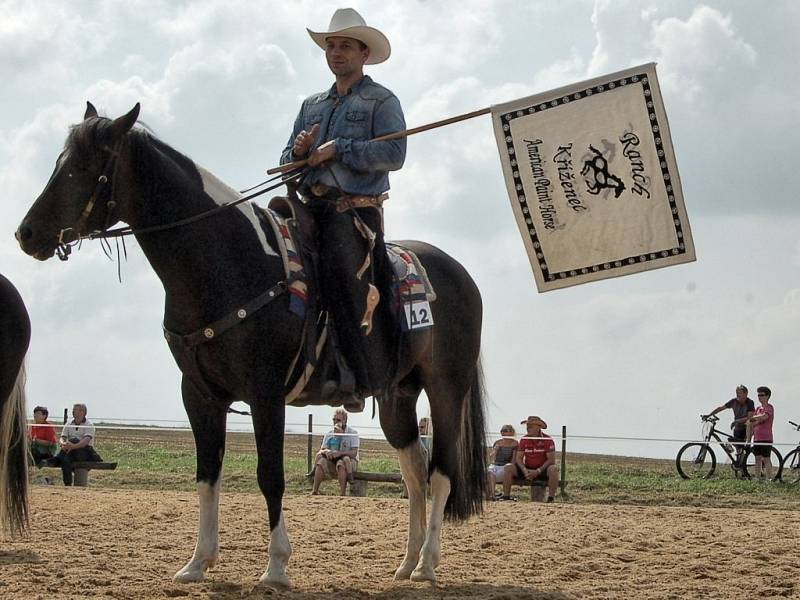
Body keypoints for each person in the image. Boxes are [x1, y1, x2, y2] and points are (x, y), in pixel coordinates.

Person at [279, 8, 406, 408]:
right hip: (307, 204)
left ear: (363, 53)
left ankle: (354, 374)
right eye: (331, 46)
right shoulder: (311, 105)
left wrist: (341, 149)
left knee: (341, 274)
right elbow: (285, 159)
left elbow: (395, 152)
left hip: (352, 213)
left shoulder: (381, 101)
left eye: (345, 46)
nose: (336, 53)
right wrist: (298, 153)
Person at [47, 403, 102, 486]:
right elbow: (62, 438)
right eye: (73, 410)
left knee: (74, 440)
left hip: (84, 452)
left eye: (75, 410)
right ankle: (67, 484)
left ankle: (57, 458)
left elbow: (85, 441)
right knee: (66, 460)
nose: (72, 412)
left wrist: (72, 446)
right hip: (70, 452)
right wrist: (63, 444)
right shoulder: (68, 424)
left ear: (82, 412)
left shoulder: (89, 425)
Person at [505, 416, 559, 503]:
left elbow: (551, 460)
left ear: (538, 427)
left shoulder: (547, 439)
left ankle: (551, 498)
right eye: (527, 426)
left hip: (542, 470)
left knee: (553, 469)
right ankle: (506, 496)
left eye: (531, 426)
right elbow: (519, 458)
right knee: (508, 467)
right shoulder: (524, 439)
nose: (527, 428)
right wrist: (524, 470)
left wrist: (538, 471)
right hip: (527, 469)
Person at [702, 384, 755, 464]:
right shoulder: (733, 401)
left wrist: (737, 421)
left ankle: (751, 464)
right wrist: (709, 415)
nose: (737, 395)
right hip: (737, 428)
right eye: (736, 393)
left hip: (747, 428)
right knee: (737, 447)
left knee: (744, 448)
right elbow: (721, 408)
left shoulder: (750, 402)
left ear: (746, 393)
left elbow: (750, 417)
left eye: (739, 393)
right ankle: (739, 466)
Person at [312, 408, 360, 495]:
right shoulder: (330, 433)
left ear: (344, 421)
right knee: (321, 462)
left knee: (341, 464)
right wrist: (327, 452)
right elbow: (323, 448)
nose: (335, 422)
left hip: (348, 460)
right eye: (334, 419)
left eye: (338, 420)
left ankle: (342, 493)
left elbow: (354, 453)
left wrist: (340, 453)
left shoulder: (352, 433)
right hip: (332, 458)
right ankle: (315, 490)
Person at [748, 386, 775, 480]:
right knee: (757, 459)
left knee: (766, 458)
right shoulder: (758, 408)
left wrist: (754, 418)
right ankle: (758, 478)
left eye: (762, 395)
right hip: (756, 438)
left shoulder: (769, 407)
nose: (759, 397)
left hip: (766, 438)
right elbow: (753, 422)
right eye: (758, 395)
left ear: (767, 396)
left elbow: (764, 416)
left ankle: (769, 478)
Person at [486, 425, 518, 501]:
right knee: (490, 471)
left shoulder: (515, 444)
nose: (505, 432)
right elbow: (492, 458)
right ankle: (492, 495)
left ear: (512, 432)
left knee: (506, 468)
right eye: (503, 431)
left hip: (506, 466)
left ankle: (505, 495)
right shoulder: (497, 442)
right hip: (496, 465)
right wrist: (495, 450)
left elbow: (513, 460)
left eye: (508, 430)